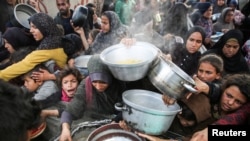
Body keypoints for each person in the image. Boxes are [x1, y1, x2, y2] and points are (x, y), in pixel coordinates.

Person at [57, 54, 126, 140]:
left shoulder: (121, 84)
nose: (98, 86)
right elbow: (70, 110)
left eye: (103, 82)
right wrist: (65, 129)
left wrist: (117, 120)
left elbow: (129, 108)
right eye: (95, 82)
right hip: (95, 121)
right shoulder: (86, 85)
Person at [0, 13, 68, 81]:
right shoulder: (56, 40)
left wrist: (1, 75)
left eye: (35, 27)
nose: (31, 30)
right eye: (31, 27)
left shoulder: (48, 48)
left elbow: (23, 65)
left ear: (44, 28)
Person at [190, 73, 250, 141]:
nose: (230, 103)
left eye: (238, 102)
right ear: (224, 89)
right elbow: (212, 88)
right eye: (229, 96)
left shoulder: (241, 120)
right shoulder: (211, 100)